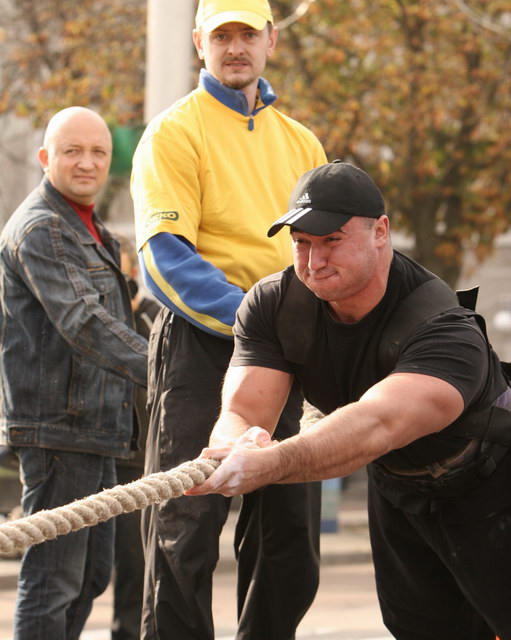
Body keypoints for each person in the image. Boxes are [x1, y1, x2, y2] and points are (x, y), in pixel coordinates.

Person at [188, 161, 511, 640]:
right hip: (399, 486)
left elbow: (378, 422)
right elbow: (242, 411)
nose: (314, 260)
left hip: (491, 484)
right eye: (301, 242)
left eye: (332, 240)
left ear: (380, 232)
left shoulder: (443, 328)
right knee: (420, 630)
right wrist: (237, 447)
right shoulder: (273, 305)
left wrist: (272, 463)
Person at [130, 0, 327, 637]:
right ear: (199, 43)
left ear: (271, 40)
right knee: (183, 534)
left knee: (289, 537)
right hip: (199, 346)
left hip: (285, 348)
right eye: (222, 36)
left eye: (247, 33)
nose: (235, 47)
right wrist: (257, 320)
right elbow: (166, 259)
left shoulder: (302, 142)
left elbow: (323, 253)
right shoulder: (173, 132)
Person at [0, 106, 148, 640]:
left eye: (98, 152)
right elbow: (84, 321)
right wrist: (162, 367)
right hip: (59, 431)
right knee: (53, 582)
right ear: (45, 157)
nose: (87, 162)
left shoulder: (89, 227)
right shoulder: (44, 228)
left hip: (95, 429)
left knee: (89, 576)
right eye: (72, 151)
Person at [112, 234, 160, 640]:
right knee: (83, 570)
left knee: (133, 565)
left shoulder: (153, 318)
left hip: (137, 461)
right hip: (96, 449)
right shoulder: (95, 316)